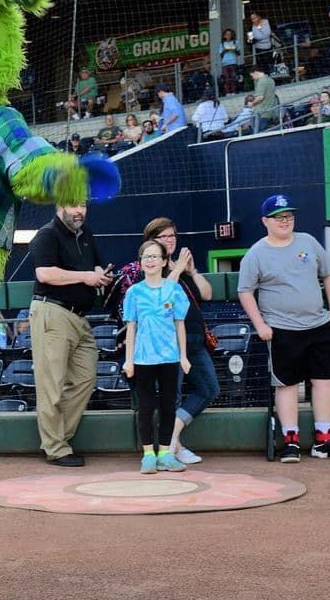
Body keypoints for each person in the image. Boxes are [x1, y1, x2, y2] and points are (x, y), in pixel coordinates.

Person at [238, 194, 330, 463]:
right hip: (281, 328)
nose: (285, 221)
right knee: (287, 384)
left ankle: (324, 439)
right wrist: (260, 325)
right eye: (279, 217)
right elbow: (245, 291)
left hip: (318, 323)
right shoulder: (256, 253)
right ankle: (290, 441)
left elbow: (328, 274)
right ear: (265, 221)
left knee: (325, 381)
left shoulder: (308, 242)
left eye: (289, 216)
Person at [106, 218, 217, 465]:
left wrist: (191, 270)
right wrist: (176, 271)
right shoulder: (142, 271)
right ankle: (165, 450)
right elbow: (149, 304)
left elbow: (207, 294)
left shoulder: (179, 266)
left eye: (172, 236)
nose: (170, 240)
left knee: (209, 388)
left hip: (192, 340)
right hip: (160, 346)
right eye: (163, 237)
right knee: (167, 398)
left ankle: (173, 440)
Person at [29, 201, 113, 467]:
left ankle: (56, 438)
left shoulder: (85, 234)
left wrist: (100, 275)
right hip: (52, 312)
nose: (80, 211)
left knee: (85, 379)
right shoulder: (47, 234)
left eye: (84, 205)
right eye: (73, 205)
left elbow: (95, 267)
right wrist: (85, 277)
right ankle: (56, 448)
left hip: (79, 318)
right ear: (60, 206)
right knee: (51, 385)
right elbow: (44, 273)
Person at [121, 239, 191, 474]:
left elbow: (180, 324)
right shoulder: (134, 292)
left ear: (164, 261)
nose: (150, 260)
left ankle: (165, 454)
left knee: (169, 406)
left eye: (154, 256)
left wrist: (183, 357)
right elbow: (131, 327)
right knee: (146, 406)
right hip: (143, 360)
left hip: (170, 358)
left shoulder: (175, 290)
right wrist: (129, 360)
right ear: (140, 263)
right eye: (145, 257)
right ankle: (148, 454)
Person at [249, 67, 277, 133]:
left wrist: (252, 103)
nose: (252, 78)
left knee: (258, 134)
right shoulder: (271, 80)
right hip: (269, 110)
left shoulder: (261, 81)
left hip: (261, 112)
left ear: (256, 72)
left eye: (252, 76)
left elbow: (260, 97)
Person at [219, 28, 241, 95]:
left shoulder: (235, 42)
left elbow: (239, 53)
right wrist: (225, 50)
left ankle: (234, 91)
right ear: (224, 36)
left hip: (233, 62)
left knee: (233, 77)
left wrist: (234, 50)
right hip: (225, 63)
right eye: (226, 34)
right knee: (227, 78)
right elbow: (221, 55)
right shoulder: (222, 44)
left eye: (229, 34)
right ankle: (228, 92)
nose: (228, 36)